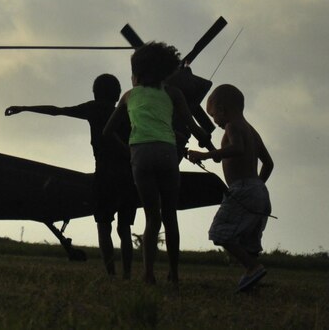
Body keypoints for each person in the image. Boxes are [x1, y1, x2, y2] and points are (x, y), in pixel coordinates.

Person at [5, 73, 138, 278]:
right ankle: (127, 276)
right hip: (128, 175)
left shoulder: (93, 109)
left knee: (104, 226)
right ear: (117, 94)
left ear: (95, 93)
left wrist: (25, 108)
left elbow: (57, 112)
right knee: (124, 230)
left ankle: (111, 275)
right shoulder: (128, 111)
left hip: (104, 175)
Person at [103, 41, 213, 286]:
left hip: (140, 156)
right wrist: (206, 141)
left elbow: (107, 132)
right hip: (166, 152)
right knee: (170, 215)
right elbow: (194, 127)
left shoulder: (128, 96)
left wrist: (129, 150)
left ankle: (148, 273)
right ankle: (174, 274)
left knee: (152, 218)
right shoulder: (173, 93)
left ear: (138, 74)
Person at [187, 83, 273, 292]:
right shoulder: (251, 129)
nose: (214, 120)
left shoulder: (232, 126)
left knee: (220, 232)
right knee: (249, 241)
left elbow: (237, 148)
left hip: (243, 189)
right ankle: (252, 280)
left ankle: (252, 267)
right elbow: (269, 163)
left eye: (213, 114)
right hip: (258, 190)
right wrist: (257, 186)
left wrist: (205, 155)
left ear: (222, 109)